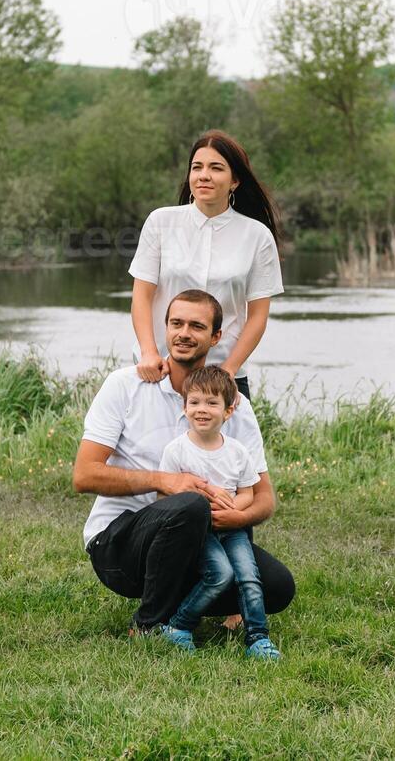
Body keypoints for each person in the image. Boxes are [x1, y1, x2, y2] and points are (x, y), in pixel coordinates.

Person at [73, 288, 294, 639]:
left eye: (196, 326)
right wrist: (165, 481)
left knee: (278, 587)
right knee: (189, 503)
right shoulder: (124, 386)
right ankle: (148, 624)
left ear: (216, 336)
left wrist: (237, 516)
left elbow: (264, 498)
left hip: (204, 539)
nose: (184, 333)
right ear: (165, 328)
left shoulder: (234, 404)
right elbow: (84, 475)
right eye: (176, 323)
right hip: (120, 545)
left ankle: (193, 607)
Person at [129, 131, 283, 403]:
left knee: (229, 447)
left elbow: (258, 316)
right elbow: (142, 295)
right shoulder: (160, 223)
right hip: (161, 371)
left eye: (216, 168)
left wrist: (229, 370)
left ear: (235, 180)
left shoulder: (257, 236)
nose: (203, 175)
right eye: (197, 167)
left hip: (223, 375)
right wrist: (148, 352)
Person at [156, 366, 281, 659]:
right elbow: (164, 495)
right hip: (200, 532)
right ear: (184, 407)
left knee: (249, 575)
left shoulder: (237, 452)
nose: (202, 409)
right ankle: (180, 626)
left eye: (212, 403)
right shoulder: (176, 451)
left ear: (228, 411)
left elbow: (248, 492)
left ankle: (258, 638)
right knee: (220, 574)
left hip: (233, 528)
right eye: (195, 402)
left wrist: (232, 510)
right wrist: (203, 510)